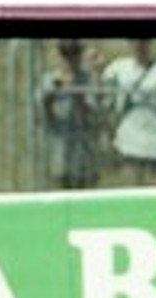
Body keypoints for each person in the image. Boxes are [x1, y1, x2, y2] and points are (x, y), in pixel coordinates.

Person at [101, 39, 156, 186]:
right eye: (135, 41)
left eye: (142, 41)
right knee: (130, 194)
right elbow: (104, 95)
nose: (138, 45)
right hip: (129, 144)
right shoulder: (117, 68)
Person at [37, 38, 100, 189]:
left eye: (74, 53)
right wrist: (53, 92)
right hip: (58, 150)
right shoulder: (49, 80)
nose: (70, 59)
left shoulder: (87, 80)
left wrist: (76, 90)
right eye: (66, 54)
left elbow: (91, 115)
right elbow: (41, 113)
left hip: (84, 153)